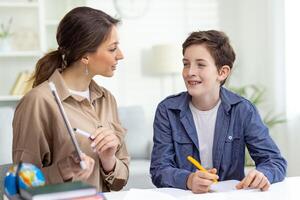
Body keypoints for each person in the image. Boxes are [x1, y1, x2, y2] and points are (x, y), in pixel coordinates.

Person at [150, 30, 287, 193]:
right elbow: (159, 170)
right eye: (186, 63)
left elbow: (275, 161)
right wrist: (188, 180)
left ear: (222, 72)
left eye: (200, 64)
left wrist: (263, 174)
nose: (189, 72)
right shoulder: (167, 110)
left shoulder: (242, 110)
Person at [12, 7, 129, 192]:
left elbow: (119, 182)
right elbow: (19, 185)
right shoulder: (37, 102)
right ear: (85, 56)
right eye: (112, 48)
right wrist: (63, 170)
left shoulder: (107, 99)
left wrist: (109, 161)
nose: (120, 55)